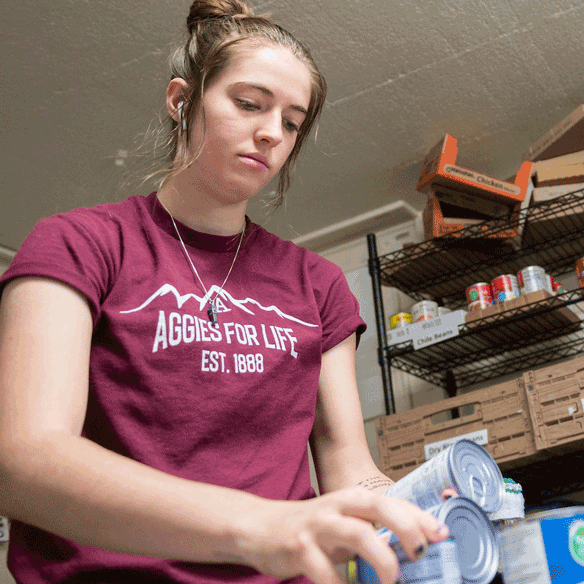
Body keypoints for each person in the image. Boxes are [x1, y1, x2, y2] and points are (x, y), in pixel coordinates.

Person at [0, 1, 452, 583]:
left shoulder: (319, 284)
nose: (270, 133)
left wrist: (419, 510)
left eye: (292, 122)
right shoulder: (79, 244)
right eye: (248, 104)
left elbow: (347, 465)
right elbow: (24, 461)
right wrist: (260, 527)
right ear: (180, 100)